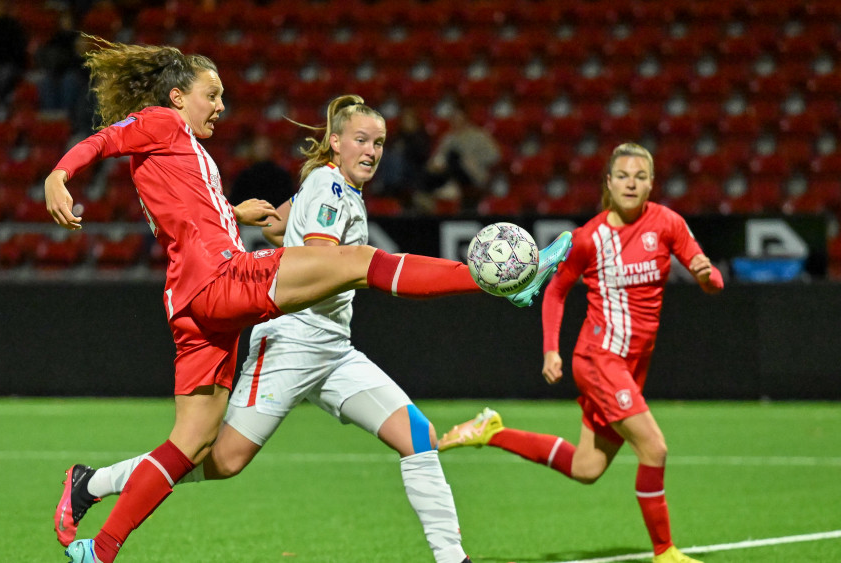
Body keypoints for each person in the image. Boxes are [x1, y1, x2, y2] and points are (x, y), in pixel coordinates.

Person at [44, 37, 571, 563]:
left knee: (204, 450)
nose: (222, 105)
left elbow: (202, 217)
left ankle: (99, 532)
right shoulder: (170, 124)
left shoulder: (201, 155)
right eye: (214, 94)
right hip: (253, 308)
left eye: (380, 142)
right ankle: (501, 281)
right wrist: (59, 175)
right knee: (359, 261)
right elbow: (105, 141)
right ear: (178, 96)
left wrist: (236, 215)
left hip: (292, 333)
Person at [437, 143, 723, 563]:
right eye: (622, 175)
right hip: (598, 359)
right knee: (654, 449)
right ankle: (665, 552)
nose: (631, 182)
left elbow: (711, 277)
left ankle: (492, 431)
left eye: (640, 176)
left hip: (632, 363)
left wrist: (706, 275)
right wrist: (551, 350)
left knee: (586, 468)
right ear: (608, 183)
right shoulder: (589, 239)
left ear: (650, 183)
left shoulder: (667, 223)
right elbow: (554, 290)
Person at [419, 100, 501, 213]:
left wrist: (473, 161)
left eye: (459, 117)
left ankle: (449, 187)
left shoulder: (478, 135)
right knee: (428, 171)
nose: (456, 120)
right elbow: (438, 157)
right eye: (454, 117)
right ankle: (437, 191)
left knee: (454, 156)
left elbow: (494, 155)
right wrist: (434, 166)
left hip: (473, 175)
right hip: (449, 173)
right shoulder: (448, 137)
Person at [229, 133, 294, 207]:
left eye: (264, 147)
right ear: (252, 150)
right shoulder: (244, 177)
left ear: (270, 149)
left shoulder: (281, 176)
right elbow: (236, 204)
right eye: (258, 147)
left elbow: (288, 203)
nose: (261, 150)